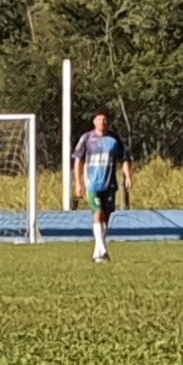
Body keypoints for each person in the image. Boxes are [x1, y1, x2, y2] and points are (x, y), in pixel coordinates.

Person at [74, 110, 126, 262]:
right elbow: (78, 161)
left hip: (110, 184)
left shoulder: (114, 139)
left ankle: (98, 253)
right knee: (97, 213)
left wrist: (128, 176)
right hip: (92, 184)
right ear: (94, 122)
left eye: (105, 120)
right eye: (99, 120)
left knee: (106, 218)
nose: (102, 123)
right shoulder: (87, 138)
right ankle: (103, 250)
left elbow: (125, 158)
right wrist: (78, 182)